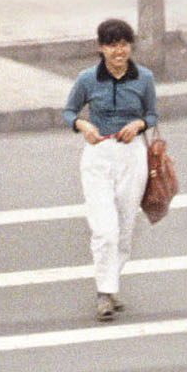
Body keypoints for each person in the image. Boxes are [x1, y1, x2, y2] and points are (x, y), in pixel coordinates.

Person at [63, 19, 159, 322]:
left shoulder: (144, 78)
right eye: (112, 45)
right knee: (104, 230)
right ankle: (104, 293)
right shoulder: (87, 79)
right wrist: (82, 125)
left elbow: (152, 114)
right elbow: (68, 112)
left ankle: (111, 284)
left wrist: (138, 124)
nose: (119, 51)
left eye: (124, 44)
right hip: (98, 155)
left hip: (132, 156)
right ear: (101, 48)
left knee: (125, 229)